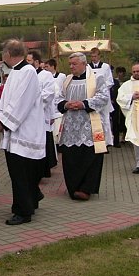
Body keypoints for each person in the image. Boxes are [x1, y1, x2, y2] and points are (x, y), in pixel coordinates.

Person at [0, 39, 46, 225]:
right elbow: (5, 100)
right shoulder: (15, 71)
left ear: (8, 54)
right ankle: (32, 199)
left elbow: (21, 102)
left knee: (21, 174)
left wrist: (4, 122)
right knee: (21, 173)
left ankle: (23, 212)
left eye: (3, 52)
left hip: (24, 131)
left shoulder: (27, 72)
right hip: (15, 131)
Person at [56, 53, 112, 201]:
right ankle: (73, 187)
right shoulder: (67, 80)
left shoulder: (96, 78)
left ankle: (86, 188)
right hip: (70, 126)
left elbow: (104, 97)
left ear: (83, 64)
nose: (71, 67)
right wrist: (66, 104)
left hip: (90, 124)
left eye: (74, 64)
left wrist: (83, 104)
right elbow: (58, 97)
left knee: (91, 156)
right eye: (70, 64)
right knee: (70, 157)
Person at [26, 51, 57, 177]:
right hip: (28, 117)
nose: (26, 63)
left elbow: (49, 93)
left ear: (37, 62)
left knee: (43, 142)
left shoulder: (45, 75)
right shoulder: (26, 75)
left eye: (29, 61)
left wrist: (31, 102)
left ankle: (43, 170)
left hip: (42, 114)